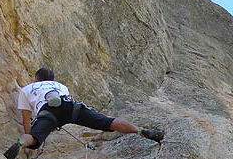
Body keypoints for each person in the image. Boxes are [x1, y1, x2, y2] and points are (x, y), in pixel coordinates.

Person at [12, 66, 164, 154]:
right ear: (52, 79)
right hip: (71, 107)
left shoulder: (27, 89)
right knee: (109, 122)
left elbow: (26, 120)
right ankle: (140, 131)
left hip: (48, 113)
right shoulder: (60, 86)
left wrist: (30, 141)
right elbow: (64, 105)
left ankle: (20, 143)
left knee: (33, 138)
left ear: (36, 78)